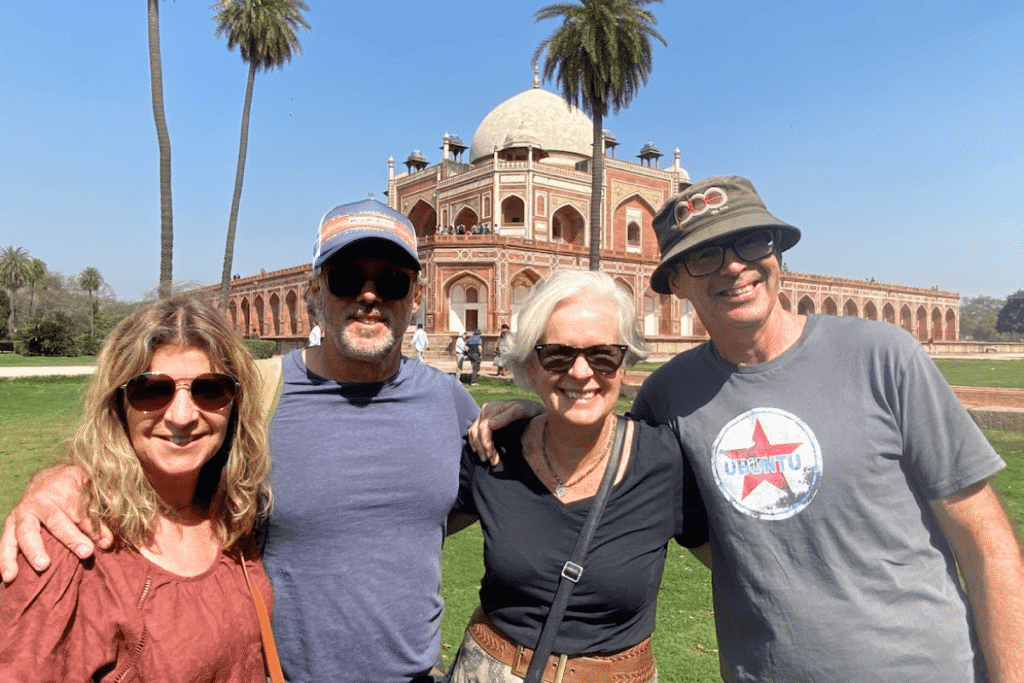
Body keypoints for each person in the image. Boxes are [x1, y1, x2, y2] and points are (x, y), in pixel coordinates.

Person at [471, 176, 1024, 682]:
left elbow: (987, 545)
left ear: (777, 255)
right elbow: (602, 441)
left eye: (753, 243)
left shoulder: (883, 357)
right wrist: (535, 412)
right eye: (704, 255)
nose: (734, 267)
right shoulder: (670, 396)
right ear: (675, 282)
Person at [2, 199, 480, 683]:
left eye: (392, 281)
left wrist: (517, 413)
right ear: (314, 291)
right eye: (346, 278)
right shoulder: (252, 393)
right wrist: (65, 479)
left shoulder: (450, 402)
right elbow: (161, 440)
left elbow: (481, 496)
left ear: (417, 296)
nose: (369, 295)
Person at [447, 269, 707, 683]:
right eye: (557, 355)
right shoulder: (495, 451)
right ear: (530, 365)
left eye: (603, 355)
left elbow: (746, 565)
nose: (582, 372)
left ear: (625, 364)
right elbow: (405, 534)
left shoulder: (664, 464)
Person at [0, 295, 274, 681]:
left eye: (210, 390)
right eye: (152, 390)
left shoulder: (233, 513)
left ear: (234, 404)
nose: (182, 416)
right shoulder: (69, 541)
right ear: (118, 402)